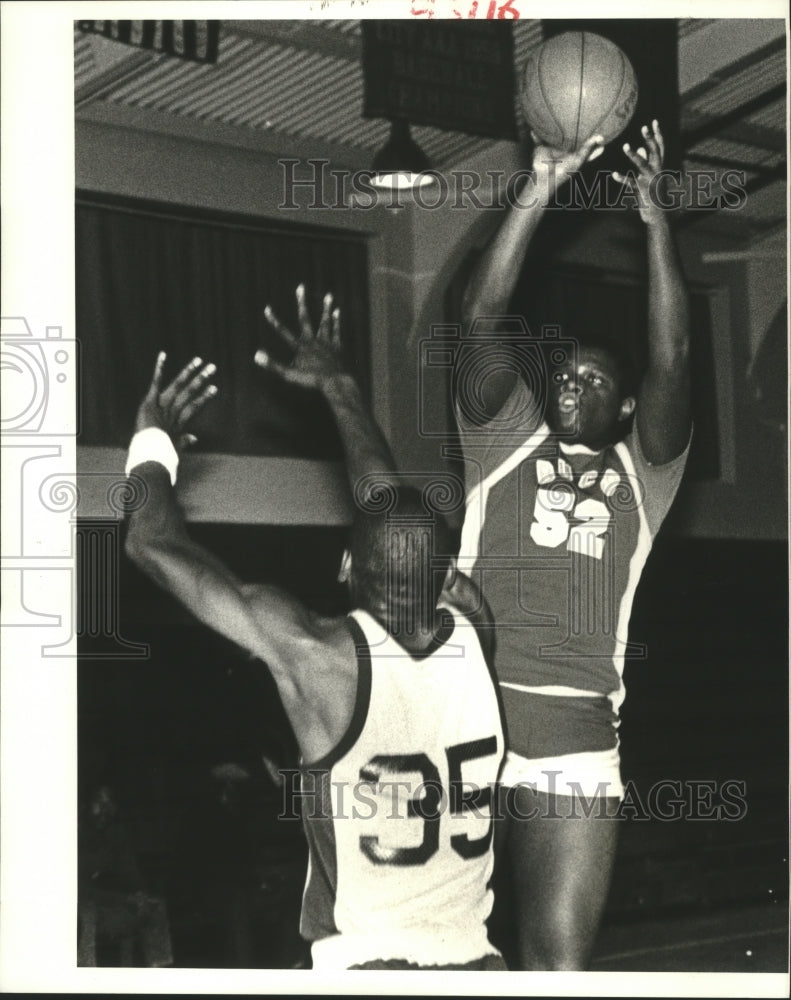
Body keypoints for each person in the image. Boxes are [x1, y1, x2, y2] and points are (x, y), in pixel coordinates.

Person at [123, 286, 507, 971]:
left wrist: (151, 446)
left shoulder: (315, 653)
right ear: (441, 573)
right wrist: (340, 387)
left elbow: (151, 546)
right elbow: (391, 509)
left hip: (369, 966)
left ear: (344, 563)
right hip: (479, 964)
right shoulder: (475, 629)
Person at [454, 121, 692, 970]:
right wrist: (538, 187)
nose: (569, 383)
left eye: (592, 379)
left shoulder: (644, 476)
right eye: (563, 372)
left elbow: (672, 353)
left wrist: (655, 222)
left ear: (626, 409)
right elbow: (481, 314)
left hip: (572, 740)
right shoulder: (503, 437)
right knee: (437, 956)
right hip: (460, 722)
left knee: (556, 970)